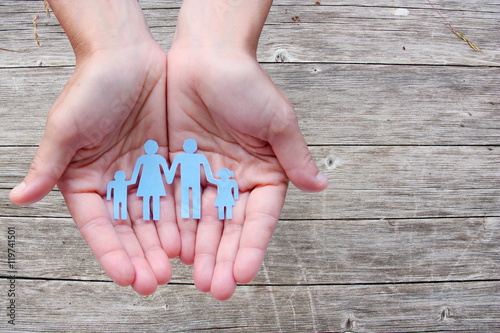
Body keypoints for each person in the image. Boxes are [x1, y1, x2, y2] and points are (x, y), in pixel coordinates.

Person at [9, 0, 328, 300]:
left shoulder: (180, 163)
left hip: (180, 181)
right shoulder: (153, 164)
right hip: (154, 183)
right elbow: (168, 170)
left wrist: (218, 44)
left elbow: (183, 171)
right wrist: (110, 47)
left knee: (183, 199)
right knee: (150, 203)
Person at [167, 139, 215, 219]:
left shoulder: (184, 157)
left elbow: (206, 168)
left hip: (192, 180)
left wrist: (169, 178)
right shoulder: (182, 157)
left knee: (192, 196)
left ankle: (193, 213)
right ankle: (188, 213)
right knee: (189, 196)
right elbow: (173, 167)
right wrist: (169, 178)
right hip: (188, 180)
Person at [129, 140, 170, 221]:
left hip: (152, 181)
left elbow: (165, 169)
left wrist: (133, 180)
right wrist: (169, 178)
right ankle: (148, 216)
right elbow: (136, 170)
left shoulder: (156, 158)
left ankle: (152, 216)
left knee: (150, 198)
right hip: (149, 181)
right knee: (150, 198)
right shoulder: (147, 158)